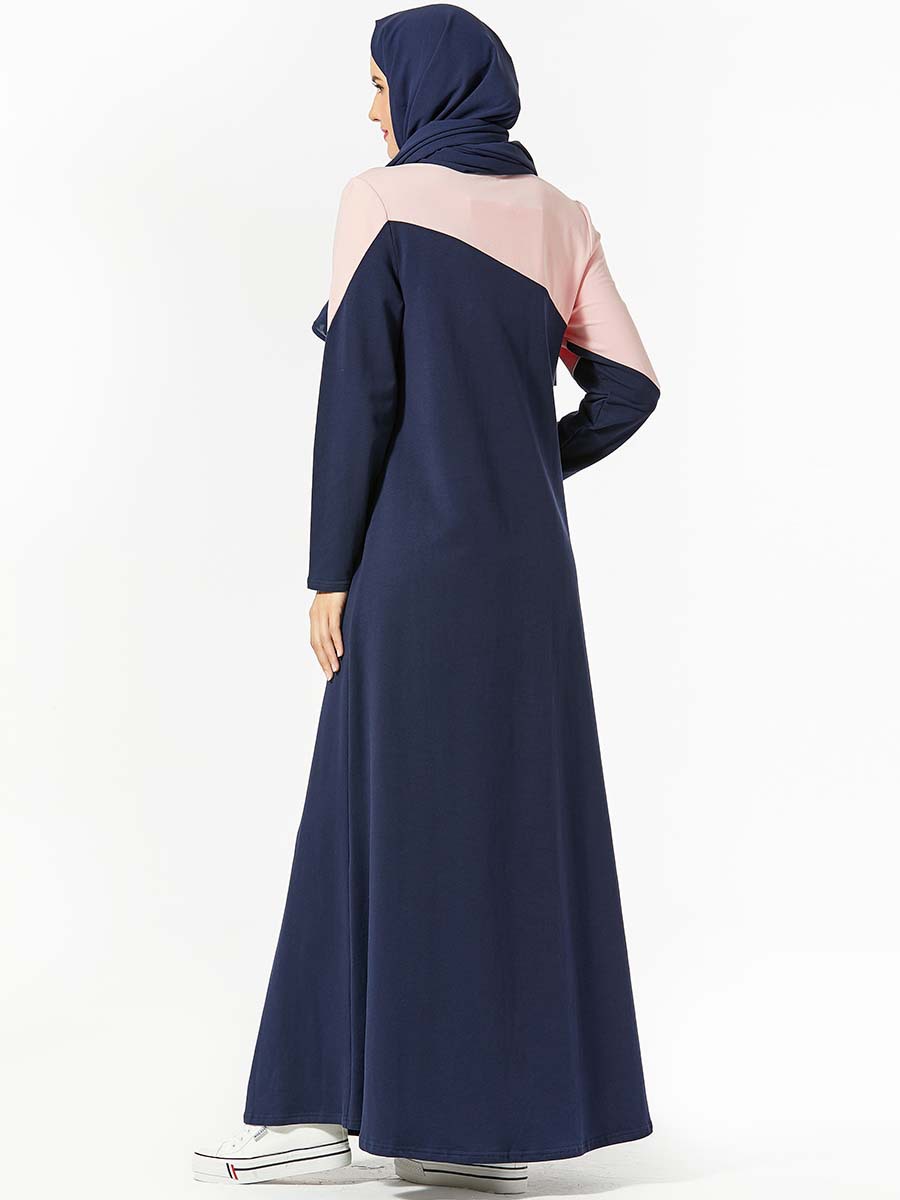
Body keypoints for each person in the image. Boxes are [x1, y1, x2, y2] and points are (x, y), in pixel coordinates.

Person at [193, 3, 660, 1191]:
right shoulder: (563, 216)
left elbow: (358, 398)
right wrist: (519, 457)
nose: (371, 109)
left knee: (369, 813)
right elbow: (628, 387)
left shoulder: (382, 200)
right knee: (509, 825)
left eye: (376, 82)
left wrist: (328, 573)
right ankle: (480, 1137)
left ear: (421, 84)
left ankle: (318, 1110)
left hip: (410, 563)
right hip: (528, 576)